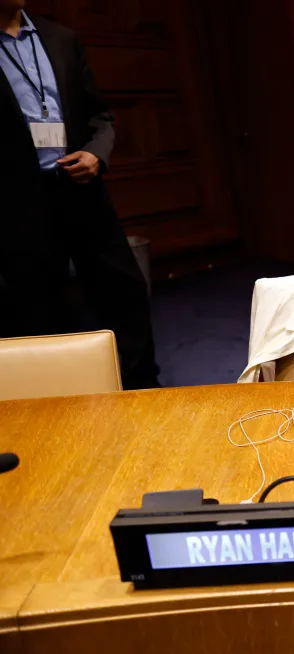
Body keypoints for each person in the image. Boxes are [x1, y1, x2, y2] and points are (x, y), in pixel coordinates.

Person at [0, 0, 159, 388]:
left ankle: (142, 384)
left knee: (124, 288)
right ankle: (55, 397)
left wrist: (96, 154)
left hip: (80, 187)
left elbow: (100, 116)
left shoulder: (61, 38)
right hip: (19, 201)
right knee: (38, 303)